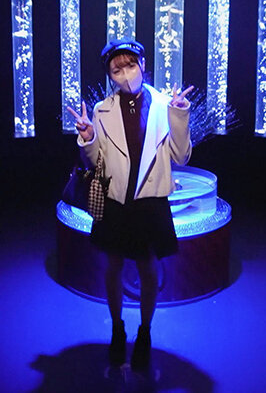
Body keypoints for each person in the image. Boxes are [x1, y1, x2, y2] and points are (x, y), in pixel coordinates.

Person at [66, 39, 192, 370]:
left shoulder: (165, 105)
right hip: (116, 201)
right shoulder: (102, 109)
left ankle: (145, 331)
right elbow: (96, 161)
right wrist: (88, 138)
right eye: (117, 69)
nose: (125, 74)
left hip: (150, 202)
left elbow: (181, 156)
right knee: (114, 265)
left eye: (130, 65)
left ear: (143, 64)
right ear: (109, 75)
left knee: (149, 267)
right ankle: (117, 328)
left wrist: (179, 114)